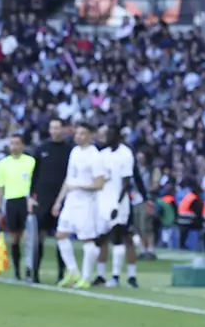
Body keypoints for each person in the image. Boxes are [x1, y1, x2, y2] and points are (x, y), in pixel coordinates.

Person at [52, 123, 107, 288]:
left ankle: (86, 277)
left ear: (90, 136)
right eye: (77, 133)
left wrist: (80, 186)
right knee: (61, 235)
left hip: (86, 203)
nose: (79, 136)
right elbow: (69, 179)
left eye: (83, 133)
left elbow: (99, 183)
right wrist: (59, 201)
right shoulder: (75, 152)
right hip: (71, 201)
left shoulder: (95, 156)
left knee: (87, 240)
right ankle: (73, 271)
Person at [93, 124, 145, 288]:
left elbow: (126, 183)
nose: (105, 138)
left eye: (108, 135)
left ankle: (123, 276)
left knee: (120, 237)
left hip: (119, 204)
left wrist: (117, 204)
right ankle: (101, 275)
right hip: (103, 202)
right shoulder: (102, 155)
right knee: (101, 239)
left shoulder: (125, 154)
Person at [31, 118, 73, 284]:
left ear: (63, 129)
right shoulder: (41, 149)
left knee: (61, 236)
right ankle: (35, 272)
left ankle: (61, 274)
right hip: (42, 198)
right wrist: (31, 196)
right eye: (52, 128)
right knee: (38, 236)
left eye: (57, 128)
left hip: (62, 199)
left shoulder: (69, 151)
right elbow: (35, 174)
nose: (55, 131)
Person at [0, 135, 37, 280]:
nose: (14, 146)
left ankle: (29, 268)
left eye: (17, 143)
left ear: (23, 146)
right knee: (14, 237)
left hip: (25, 200)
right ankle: (17, 270)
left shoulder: (30, 162)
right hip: (11, 201)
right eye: (12, 144)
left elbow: (35, 183)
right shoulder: (2, 164)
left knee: (28, 237)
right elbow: (0, 187)